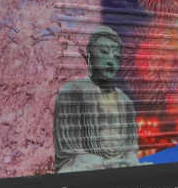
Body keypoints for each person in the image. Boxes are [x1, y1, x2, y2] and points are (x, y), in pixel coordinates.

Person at [54, 26, 141, 172]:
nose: (110, 60)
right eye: (104, 53)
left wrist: (132, 163)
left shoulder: (125, 102)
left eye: (116, 56)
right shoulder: (73, 92)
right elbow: (69, 153)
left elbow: (131, 152)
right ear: (90, 56)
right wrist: (103, 163)